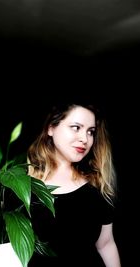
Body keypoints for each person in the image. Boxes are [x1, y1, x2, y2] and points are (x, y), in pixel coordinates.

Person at [27, 102, 121, 267]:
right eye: (76, 127)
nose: (85, 139)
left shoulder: (97, 187)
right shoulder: (21, 185)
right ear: (51, 128)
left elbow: (106, 245)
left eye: (90, 132)